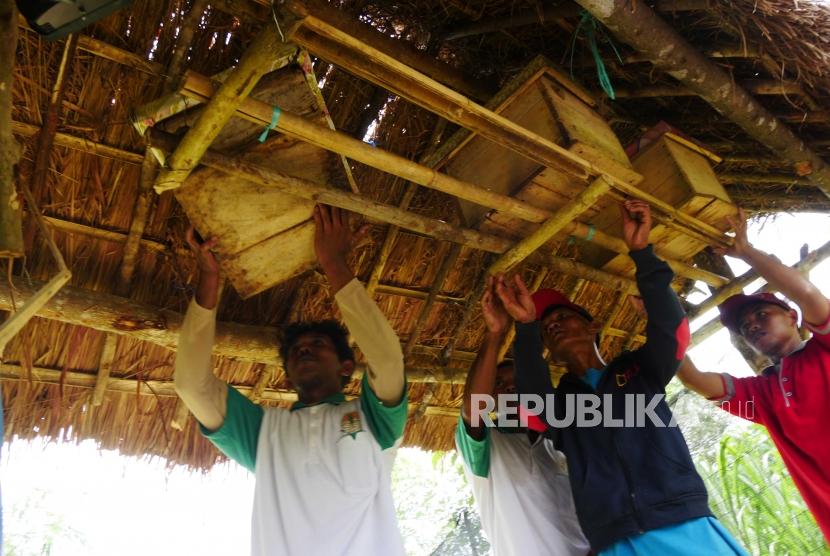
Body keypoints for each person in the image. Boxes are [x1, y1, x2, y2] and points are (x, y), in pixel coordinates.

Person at [495, 200, 747, 555]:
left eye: (562, 316)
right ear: (546, 349)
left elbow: (673, 332)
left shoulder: (640, 369)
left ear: (592, 325)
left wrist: (642, 253)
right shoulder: (561, 409)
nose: (552, 324)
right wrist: (524, 329)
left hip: (685, 525)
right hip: (617, 542)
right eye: (545, 328)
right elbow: (532, 409)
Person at [174, 205, 408, 556]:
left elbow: (388, 361)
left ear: (346, 367)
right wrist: (209, 281)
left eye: (318, 345)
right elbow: (191, 384)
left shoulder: (373, 417)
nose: (304, 351)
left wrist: (334, 264)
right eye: (297, 349)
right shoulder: (265, 432)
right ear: (287, 376)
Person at [677, 209, 830, 542]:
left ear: (792, 317)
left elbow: (807, 294)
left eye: (762, 314)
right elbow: (693, 378)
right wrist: (662, 317)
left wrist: (747, 252)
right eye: (746, 328)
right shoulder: (761, 397)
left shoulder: (825, 348)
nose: (753, 325)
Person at [455, 276, 589, 556]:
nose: (509, 387)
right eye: (499, 385)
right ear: (489, 399)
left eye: (515, 380)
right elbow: (473, 408)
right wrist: (495, 334)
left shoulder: (559, 440)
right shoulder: (485, 451)